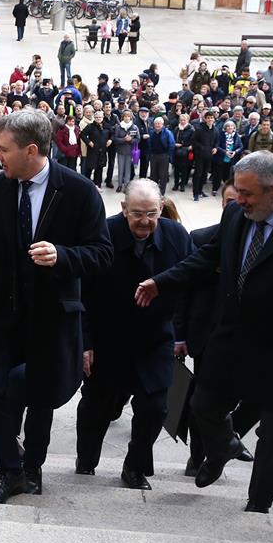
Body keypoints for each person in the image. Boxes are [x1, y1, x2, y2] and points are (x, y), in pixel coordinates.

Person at [136, 152, 273, 514]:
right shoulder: (237, 214)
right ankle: (222, 447)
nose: (241, 199)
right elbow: (208, 257)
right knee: (202, 406)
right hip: (231, 339)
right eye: (238, 190)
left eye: (248, 193)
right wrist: (162, 282)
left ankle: (258, 505)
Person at [0, 110, 113, 504]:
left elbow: (102, 254)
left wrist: (63, 255)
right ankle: (10, 471)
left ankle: (32, 467)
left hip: (50, 318)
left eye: (3, 149)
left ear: (31, 150)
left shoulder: (78, 190)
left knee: (38, 395)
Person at [76, 180, 193, 489]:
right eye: (137, 214)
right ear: (123, 209)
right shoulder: (102, 234)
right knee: (96, 408)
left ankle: (135, 467)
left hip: (154, 339)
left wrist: (182, 334)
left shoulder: (177, 237)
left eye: (152, 214)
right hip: (107, 339)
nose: (145, 222)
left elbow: (189, 285)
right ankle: (86, 462)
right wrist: (85, 343)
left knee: (156, 407)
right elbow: (81, 292)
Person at [176, 182, 257, 475]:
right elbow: (185, 289)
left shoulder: (265, 239)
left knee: (252, 398)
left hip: (249, 337)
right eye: (230, 201)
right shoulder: (200, 239)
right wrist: (180, 335)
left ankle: (227, 439)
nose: (236, 206)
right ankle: (199, 457)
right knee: (203, 400)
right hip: (207, 334)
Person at [190, 110, 217, 200]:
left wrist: (215, 148)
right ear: (205, 119)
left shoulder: (215, 130)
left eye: (211, 118)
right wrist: (201, 147)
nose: (210, 120)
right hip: (200, 155)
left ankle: (200, 190)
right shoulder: (199, 129)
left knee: (205, 174)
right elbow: (193, 140)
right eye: (208, 118)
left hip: (209, 155)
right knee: (198, 173)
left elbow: (217, 141)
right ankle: (195, 193)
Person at [147, 117, 175, 196]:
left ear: (162, 124)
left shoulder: (167, 133)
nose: (157, 125)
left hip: (164, 156)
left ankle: (161, 193)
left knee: (163, 176)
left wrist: (167, 154)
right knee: (153, 175)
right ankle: (154, 193)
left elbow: (172, 144)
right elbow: (149, 144)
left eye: (159, 123)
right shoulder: (152, 132)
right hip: (153, 156)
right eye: (156, 123)